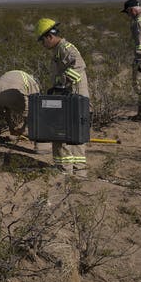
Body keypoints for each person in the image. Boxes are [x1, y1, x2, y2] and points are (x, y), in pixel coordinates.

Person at [34, 18, 89, 176]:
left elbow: (79, 65)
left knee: (61, 132)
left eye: (42, 41)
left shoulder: (65, 48)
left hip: (72, 97)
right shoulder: (60, 49)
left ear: (49, 37)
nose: (43, 45)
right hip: (72, 97)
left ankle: (64, 170)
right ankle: (78, 170)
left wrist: (61, 82)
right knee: (75, 134)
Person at [0, 70, 49, 153]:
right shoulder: (33, 83)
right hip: (14, 93)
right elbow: (32, 109)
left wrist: (11, 127)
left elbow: (7, 109)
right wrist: (24, 128)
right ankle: (42, 147)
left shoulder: (16, 75)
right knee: (37, 115)